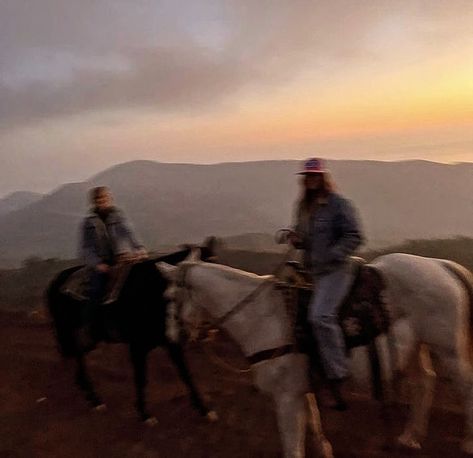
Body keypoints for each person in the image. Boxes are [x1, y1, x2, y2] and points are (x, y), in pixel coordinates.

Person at [289, 158, 364, 408]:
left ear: (323, 178)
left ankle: (338, 373)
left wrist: (333, 253)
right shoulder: (303, 207)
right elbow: (303, 237)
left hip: (336, 270)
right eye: (308, 177)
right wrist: (297, 240)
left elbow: (355, 235)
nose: (311, 180)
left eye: (315, 176)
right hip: (311, 271)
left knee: (320, 317)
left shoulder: (339, 205)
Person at [79, 186, 147, 332]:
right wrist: (97, 264)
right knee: (97, 290)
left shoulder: (118, 216)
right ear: (94, 202)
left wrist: (139, 248)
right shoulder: (88, 223)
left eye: (104, 198)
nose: (102, 201)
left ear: (109, 199)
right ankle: (92, 324)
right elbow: (86, 248)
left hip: (122, 257)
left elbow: (129, 233)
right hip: (101, 262)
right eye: (98, 199)